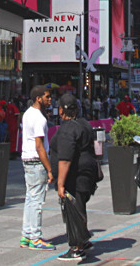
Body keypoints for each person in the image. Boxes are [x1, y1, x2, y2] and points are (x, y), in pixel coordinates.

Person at [50, 93, 99, 261]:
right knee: (80, 205)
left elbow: (65, 158)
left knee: (74, 208)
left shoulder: (68, 128)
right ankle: (82, 241)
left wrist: (61, 183)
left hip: (75, 174)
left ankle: (77, 247)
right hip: (86, 170)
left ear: (62, 111)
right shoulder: (84, 123)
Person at [20, 86, 56, 251]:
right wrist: (49, 168)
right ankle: (35, 237)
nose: (50, 100)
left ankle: (26, 235)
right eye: (47, 97)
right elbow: (40, 146)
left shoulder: (27, 114)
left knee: (30, 198)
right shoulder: (39, 119)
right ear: (38, 98)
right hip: (36, 161)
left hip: (27, 159)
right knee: (37, 201)